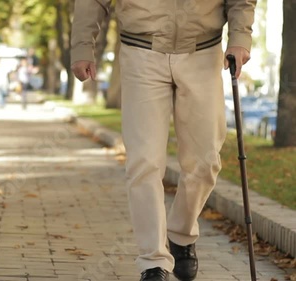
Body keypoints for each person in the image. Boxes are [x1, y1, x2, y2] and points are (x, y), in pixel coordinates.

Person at [71, 1, 256, 281]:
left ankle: (181, 233)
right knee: (143, 160)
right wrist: (83, 46)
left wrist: (240, 37)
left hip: (203, 51)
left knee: (205, 161)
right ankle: (153, 261)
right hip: (141, 49)